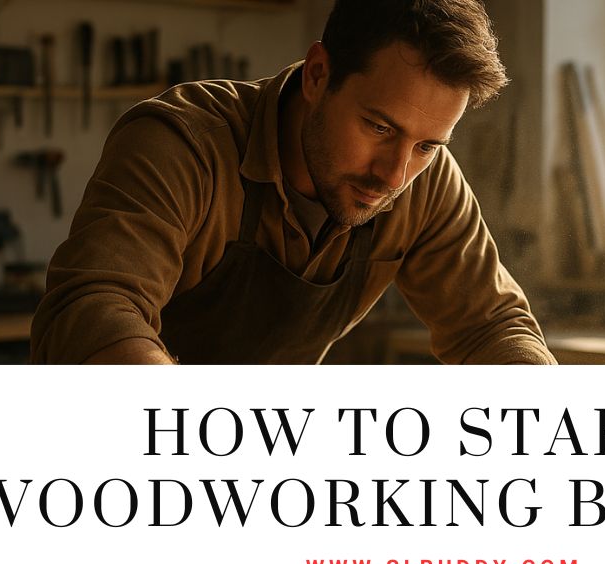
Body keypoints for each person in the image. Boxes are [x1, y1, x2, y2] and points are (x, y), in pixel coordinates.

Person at [30, 0, 555, 365]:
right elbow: (94, 304)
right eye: (379, 128)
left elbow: (491, 327)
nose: (394, 176)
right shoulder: (184, 144)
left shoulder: (426, 181)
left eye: (427, 146)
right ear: (318, 74)